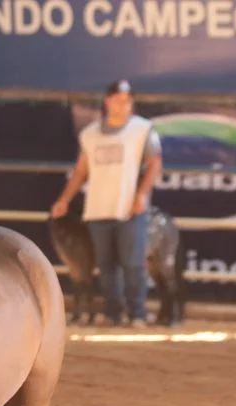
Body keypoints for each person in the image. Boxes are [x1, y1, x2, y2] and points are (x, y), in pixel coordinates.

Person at [51, 79, 162, 328]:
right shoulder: (90, 135)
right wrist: (65, 199)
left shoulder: (142, 129)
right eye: (119, 100)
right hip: (98, 208)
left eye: (128, 101)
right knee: (106, 265)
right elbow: (81, 171)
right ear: (108, 101)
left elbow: (155, 163)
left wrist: (141, 195)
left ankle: (137, 313)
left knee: (132, 264)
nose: (124, 105)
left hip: (129, 209)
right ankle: (113, 313)